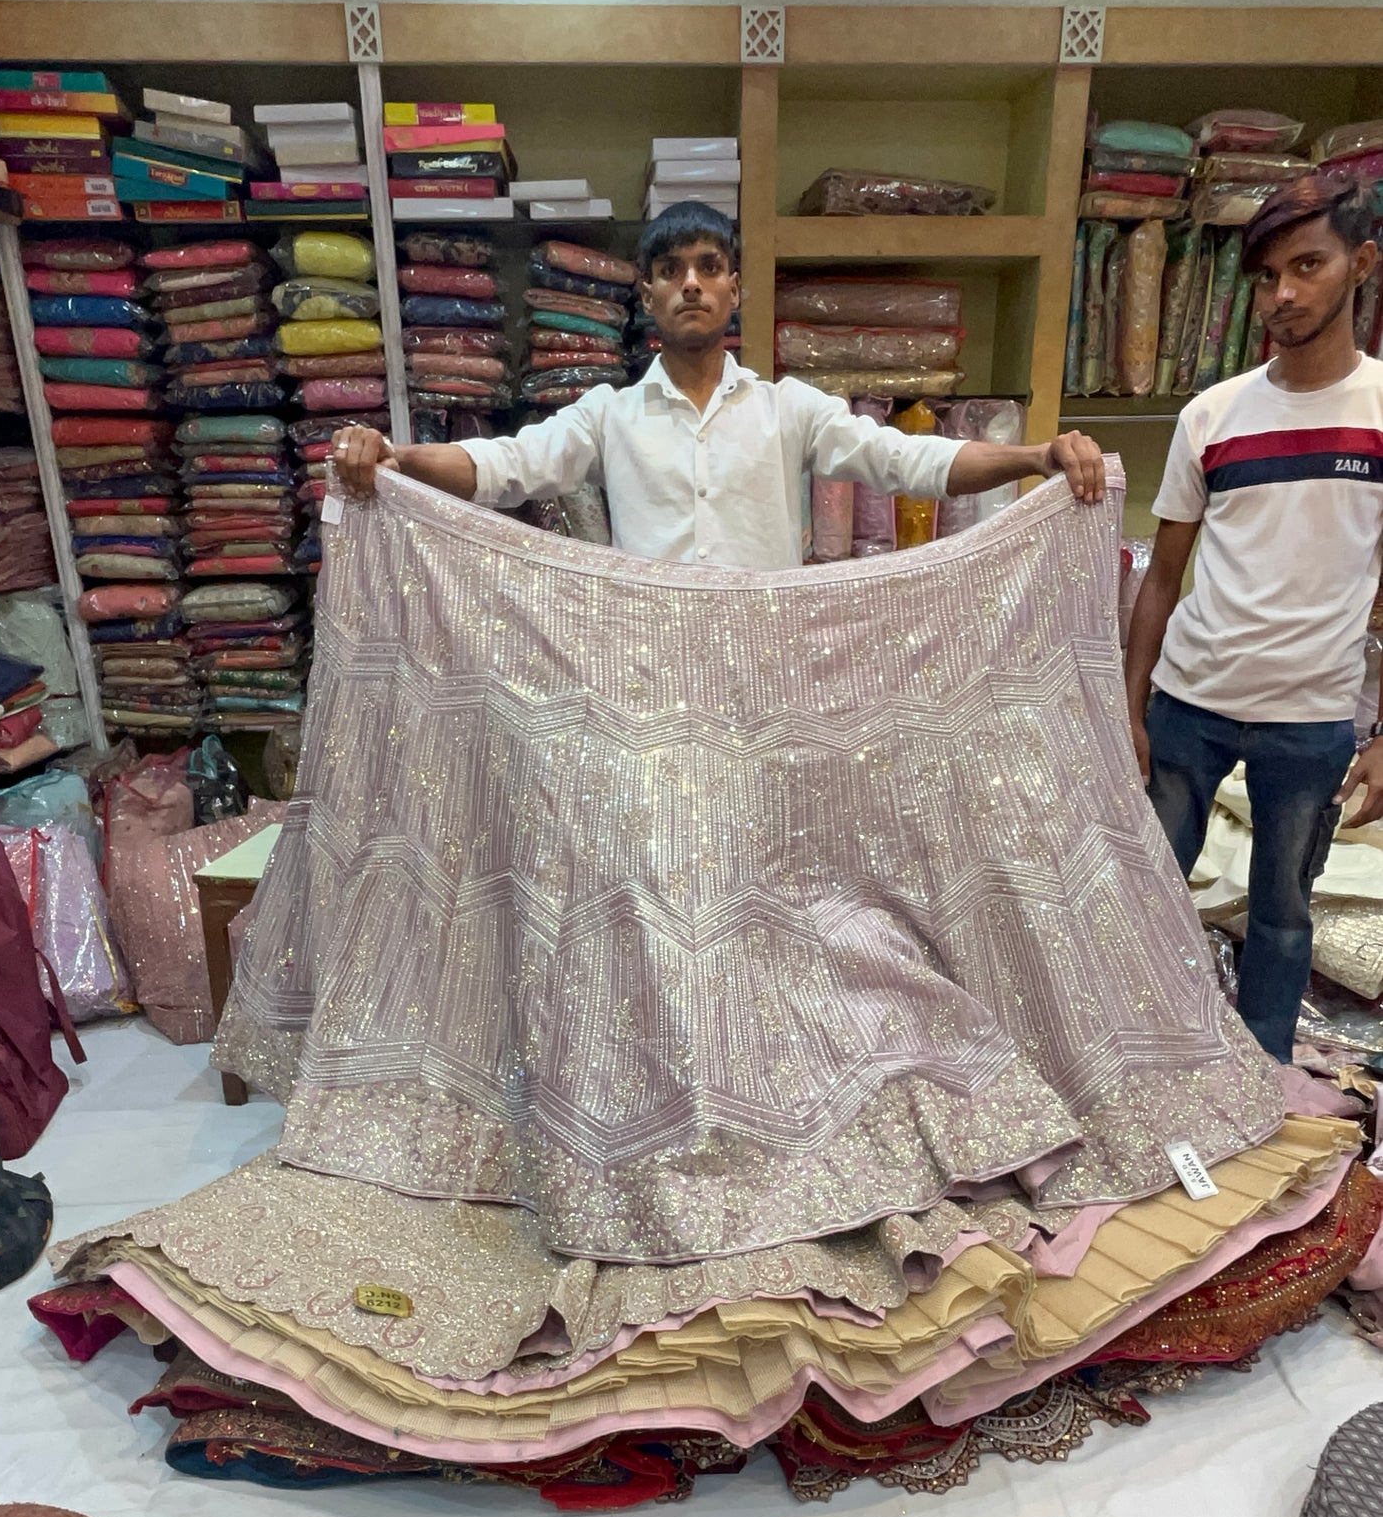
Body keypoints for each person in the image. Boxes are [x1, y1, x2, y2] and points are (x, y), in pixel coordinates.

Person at [332, 201, 1106, 562]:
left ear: (735, 286)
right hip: (653, 680)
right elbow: (503, 466)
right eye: (671, 270)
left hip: (765, 674)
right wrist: (398, 457)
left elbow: (910, 460)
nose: (691, 284)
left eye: (709, 267)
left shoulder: (788, 409)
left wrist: (1034, 456)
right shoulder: (608, 416)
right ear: (647, 295)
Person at [1124, 174, 1383, 1063]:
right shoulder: (1213, 414)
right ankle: (1148, 1059)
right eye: (1267, 275)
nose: (1282, 294)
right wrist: (1130, 705)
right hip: (1188, 702)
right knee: (1148, 897)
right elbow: (1162, 575)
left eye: (1306, 266)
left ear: (1360, 263)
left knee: (1281, 913)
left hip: (1309, 719)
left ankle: (1260, 1072)